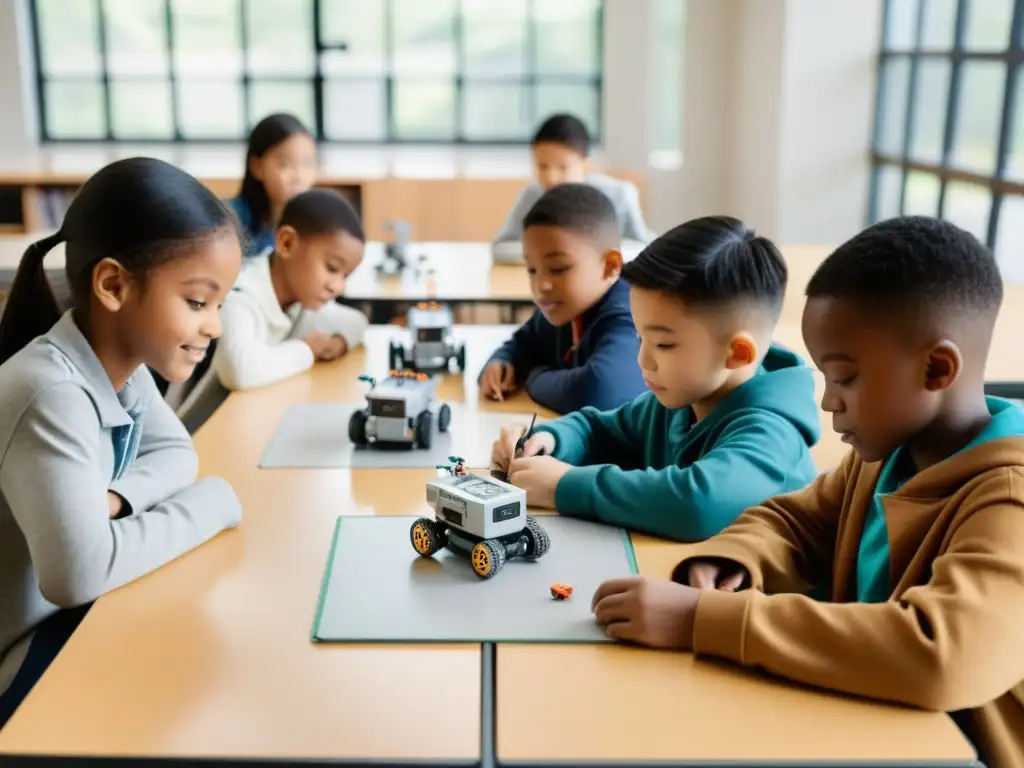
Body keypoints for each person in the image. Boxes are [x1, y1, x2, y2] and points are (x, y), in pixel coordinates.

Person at [589, 216, 1024, 768]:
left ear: (936, 368)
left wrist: (701, 619)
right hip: (867, 727)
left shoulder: (1010, 498)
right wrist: (733, 563)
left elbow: (942, 654)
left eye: (845, 378)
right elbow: (793, 523)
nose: (828, 402)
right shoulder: (889, 454)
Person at [0, 157, 244, 728]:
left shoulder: (121, 366)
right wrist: (213, 503)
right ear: (113, 285)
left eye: (221, 304)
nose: (215, 327)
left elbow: (176, 453)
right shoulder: (51, 391)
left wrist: (113, 501)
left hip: (51, 625)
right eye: (196, 302)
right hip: (17, 659)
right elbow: (78, 574)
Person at [493, 216, 820, 542]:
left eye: (663, 344)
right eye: (640, 338)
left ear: (737, 353)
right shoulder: (678, 401)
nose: (642, 360)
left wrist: (563, 487)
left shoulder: (774, 433)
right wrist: (549, 439)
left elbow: (696, 504)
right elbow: (601, 429)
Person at [478, 182, 646, 415]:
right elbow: (521, 344)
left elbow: (597, 390)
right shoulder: (565, 307)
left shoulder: (630, 312)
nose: (541, 285)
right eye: (532, 269)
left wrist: (532, 376)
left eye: (558, 268)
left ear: (610, 266)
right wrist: (501, 362)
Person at [207, 187, 368, 392]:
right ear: (287, 243)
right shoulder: (240, 295)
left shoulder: (301, 299)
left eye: (345, 276)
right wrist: (307, 349)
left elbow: (357, 321)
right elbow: (240, 371)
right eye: (332, 268)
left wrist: (339, 342)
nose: (337, 286)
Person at [491, 113, 653, 263]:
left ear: (585, 163)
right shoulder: (532, 195)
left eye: (562, 168)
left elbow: (643, 248)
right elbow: (500, 247)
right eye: (542, 166)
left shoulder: (619, 195)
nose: (550, 177)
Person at [228, 112, 317, 259]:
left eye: (308, 164)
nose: (299, 177)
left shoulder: (316, 224)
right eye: (285, 165)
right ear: (257, 167)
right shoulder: (229, 222)